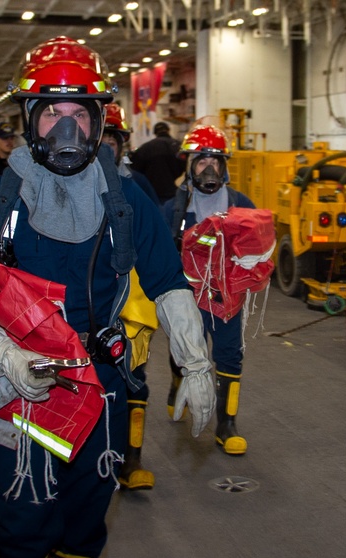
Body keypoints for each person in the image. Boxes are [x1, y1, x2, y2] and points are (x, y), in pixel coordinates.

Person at [0, 36, 215, 558]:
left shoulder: (127, 201)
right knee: (22, 519)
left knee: (88, 515)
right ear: (29, 122)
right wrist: (3, 356)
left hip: (104, 385)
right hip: (19, 388)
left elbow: (169, 281)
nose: (67, 127)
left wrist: (196, 363)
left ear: (99, 120)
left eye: (81, 113)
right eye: (51, 114)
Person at [163, 125, 256, 456]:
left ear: (225, 166)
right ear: (189, 164)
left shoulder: (241, 205)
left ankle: (226, 424)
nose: (209, 168)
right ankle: (178, 383)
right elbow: (158, 253)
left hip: (227, 296)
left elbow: (258, 248)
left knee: (230, 354)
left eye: (216, 161)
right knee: (185, 351)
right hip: (187, 297)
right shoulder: (174, 210)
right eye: (201, 161)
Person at [101, 103, 160, 491]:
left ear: (123, 144)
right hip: (86, 303)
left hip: (133, 303)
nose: (104, 149)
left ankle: (132, 459)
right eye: (99, 140)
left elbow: (157, 247)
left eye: (112, 141)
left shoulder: (138, 188)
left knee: (133, 377)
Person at [129, 120, 184, 204]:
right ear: (168, 130)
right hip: (177, 195)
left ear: (155, 133)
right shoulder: (180, 147)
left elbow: (133, 171)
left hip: (153, 196)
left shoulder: (145, 148)